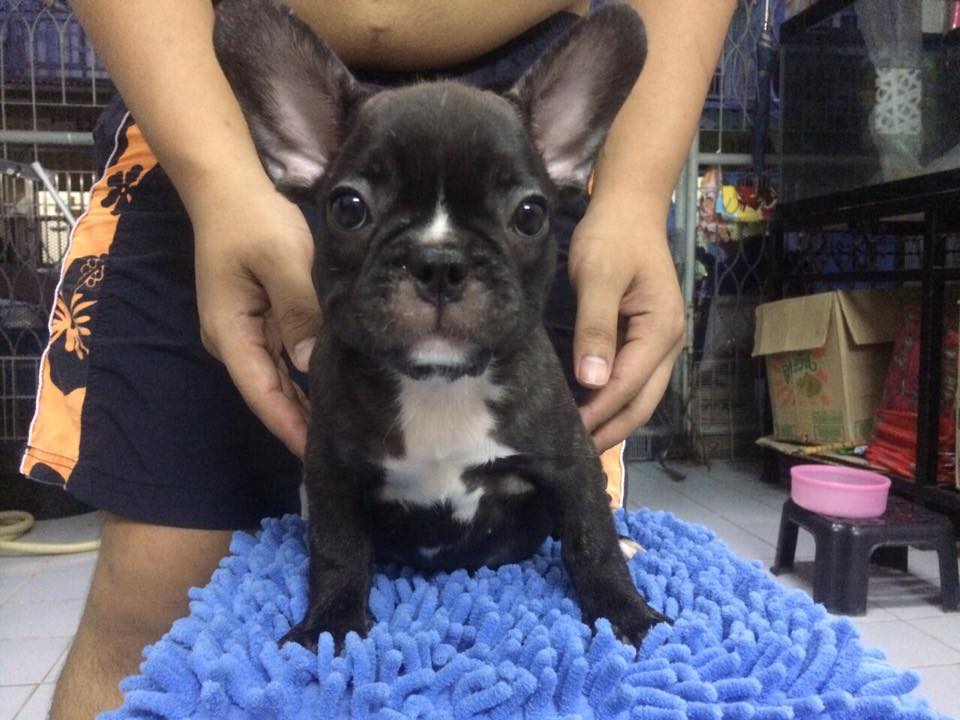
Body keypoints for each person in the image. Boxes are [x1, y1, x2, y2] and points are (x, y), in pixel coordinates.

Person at [21, 1, 736, 716]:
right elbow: (330, 473)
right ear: (298, 159)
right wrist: (217, 180)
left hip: (527, 64)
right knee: (145, 608)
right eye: (355, 210)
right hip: (194, 111)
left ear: (567, 162)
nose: (439, 269)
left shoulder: (534, 380)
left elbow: (572, 470)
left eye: (522, 217)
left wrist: (638, 193)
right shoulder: (341, 380)